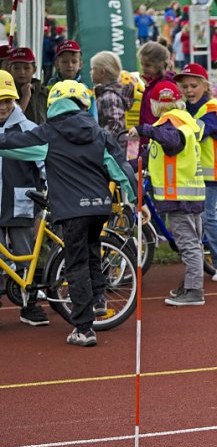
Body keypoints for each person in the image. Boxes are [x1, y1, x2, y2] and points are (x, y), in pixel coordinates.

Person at [0, 80, 138, 346]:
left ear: (53, 104)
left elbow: (10, 143)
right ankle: (98, 301)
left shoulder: (47, 133)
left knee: (75, 265)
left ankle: (84, 329)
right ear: (83, 104)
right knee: (92, 253)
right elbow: (121, 168)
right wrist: (133, 200)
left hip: (71, 210)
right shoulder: (99, 133)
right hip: (99, 208)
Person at [130, 81, 205, 305]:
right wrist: (126, 165)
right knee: (193, 242)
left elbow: (171, 141)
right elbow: (151, 154)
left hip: (179, 197)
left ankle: (194, 291)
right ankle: (191, 284)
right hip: (188, 194)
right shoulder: (179, 120)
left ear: (153, 104)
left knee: (188, 243)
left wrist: (145, 129)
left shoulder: (169, 123)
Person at [175, 63, 217, 281]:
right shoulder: (186, 108)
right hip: (193, 173)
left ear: (204, 86)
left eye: (194, 86)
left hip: (211, 173)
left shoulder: (213, 108)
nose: (189, 91)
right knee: (192, 216)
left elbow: (197, 131)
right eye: (184, 87)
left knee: (207, 215)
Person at [0, 70, 49, 326]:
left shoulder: (29, 129)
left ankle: (29, 304)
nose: (3, 107)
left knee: (25, 253)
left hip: (21, 201)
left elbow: (43, 161)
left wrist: (49, 188)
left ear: (15, 100)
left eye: (7, 101)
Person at [90, 51, 134, 156]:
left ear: (102, 72)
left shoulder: (110, 96)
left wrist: (100, 141)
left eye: (93, 69)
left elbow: (116, 124)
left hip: (111, 154)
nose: (91, 72)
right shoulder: (105, 93)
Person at [137, 41, 176, 142]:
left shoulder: (164, 89)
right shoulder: (151, 84)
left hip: (156, 140)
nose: (143, 68)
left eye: (148, 65)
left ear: (160, 65)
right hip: (149, 137)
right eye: (142, 64)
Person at [6, 47, 48, 125]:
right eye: (16, 68)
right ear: (9, 70)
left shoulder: (44, 92)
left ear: (34, 69)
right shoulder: (6, 93)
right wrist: (26, 97)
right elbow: (10, 123)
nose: (22, 72)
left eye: (27, 68)